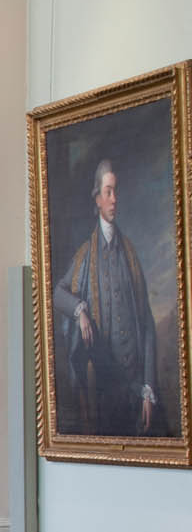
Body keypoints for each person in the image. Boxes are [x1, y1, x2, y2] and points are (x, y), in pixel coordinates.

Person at [52, 159, 160, 436]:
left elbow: (147, 324)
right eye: (108, 192)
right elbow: (58, 294)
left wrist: (148, 389)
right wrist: (80, 311)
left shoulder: (130, 255)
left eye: (116, 191)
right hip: (105, 388)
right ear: (97, 198)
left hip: (136, 389)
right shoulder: (86, 255)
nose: (114, 199)